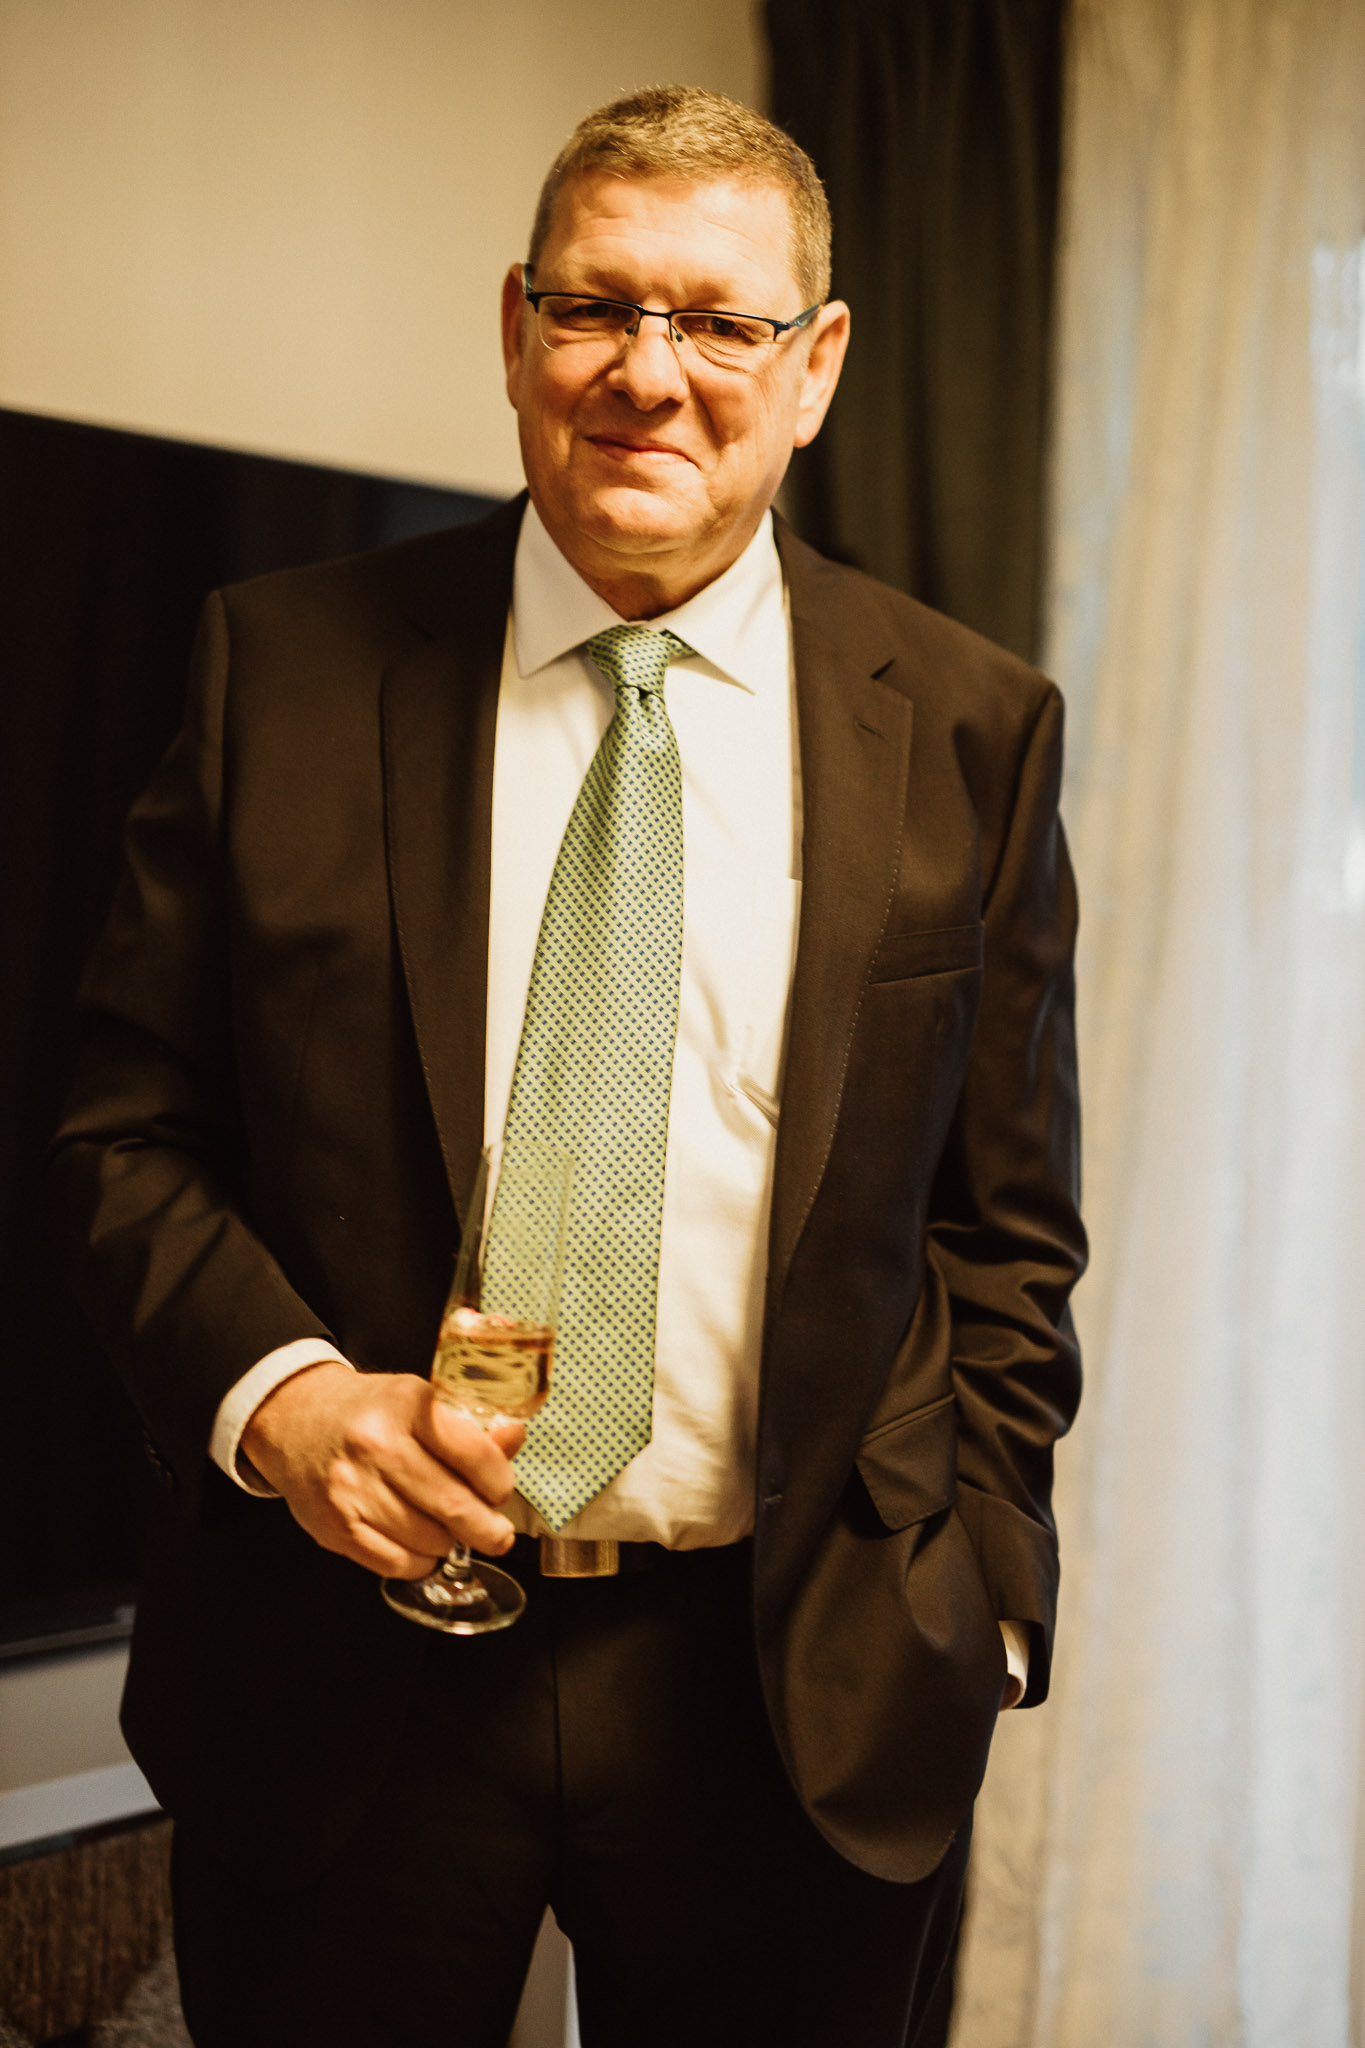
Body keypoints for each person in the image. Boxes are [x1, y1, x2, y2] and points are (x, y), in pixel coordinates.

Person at [45, 86, 1084, 2048]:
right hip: (346, 1674)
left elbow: (1006, 1226)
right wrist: (283, 1403)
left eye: (719, 321)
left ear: (814, 367)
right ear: (518, 327)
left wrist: (984, 1602)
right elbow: (125, 1137)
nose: (647, 372)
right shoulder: (278, 667)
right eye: (598, 306)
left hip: (789, 1689)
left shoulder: (970, 726)